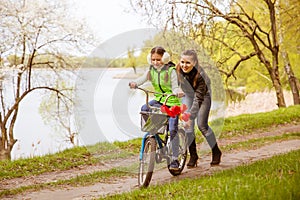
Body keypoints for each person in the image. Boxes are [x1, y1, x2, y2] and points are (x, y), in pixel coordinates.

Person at [129, 46, 184, 170]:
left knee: (173, 129)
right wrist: (135, 84)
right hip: (159, 100)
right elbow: (142, 79)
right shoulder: (151, 70)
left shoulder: (171, 71)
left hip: (172, 102)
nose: (155, 62)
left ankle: (175, 159)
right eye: (153, 59)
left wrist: (177, 91)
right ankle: (152, 131)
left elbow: (175, 86)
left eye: (158, 59)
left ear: (164, 58)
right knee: (145, 108)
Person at [176, 49, 222, 168]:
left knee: (202, 125)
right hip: (187, 95)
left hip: (203, 96)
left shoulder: (201, 76)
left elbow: (198, 98)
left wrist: (191, 116)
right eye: (182, 62)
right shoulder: (177, 70)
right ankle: (193, 155)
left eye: (188, 63)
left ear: (195, 63)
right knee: (188, 127)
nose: (184, 65)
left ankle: (216, 151)